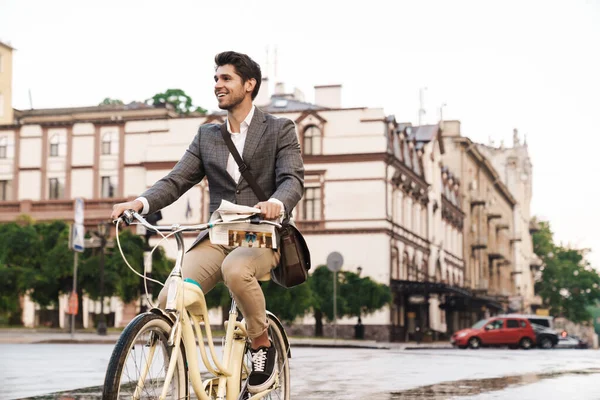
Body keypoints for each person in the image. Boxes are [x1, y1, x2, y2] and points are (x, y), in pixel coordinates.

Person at [111, 50, 304, 393]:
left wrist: (276, 202)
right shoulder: (207, 136)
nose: (218, 84)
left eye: (226, 78)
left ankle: (261, 343)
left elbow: (293, 179)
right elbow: (175, 181)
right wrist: (139, 202)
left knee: (235, 270)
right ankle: (183, 369)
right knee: (173, 291)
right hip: (219, 234)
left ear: (249, 84)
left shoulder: (279, 128)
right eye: (215, 78)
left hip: (259, 236)